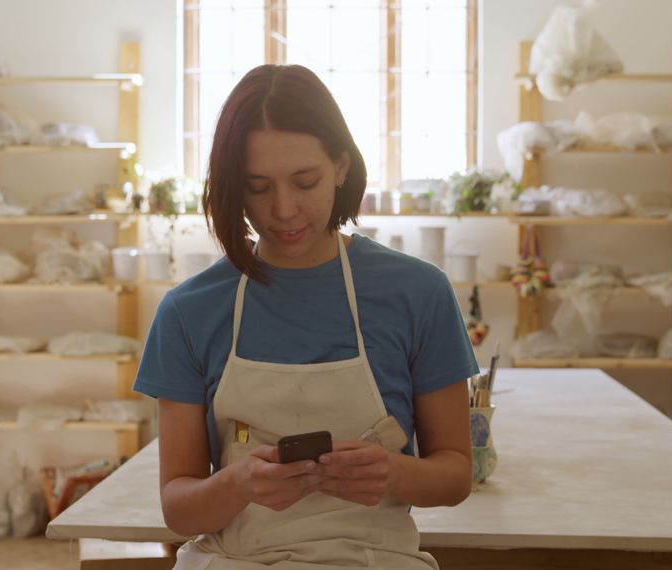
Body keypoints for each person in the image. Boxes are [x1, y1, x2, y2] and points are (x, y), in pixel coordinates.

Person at [134, 64, 478, 569]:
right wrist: (237, 483)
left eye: (305, 181)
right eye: (257, 187)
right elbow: (178, 508)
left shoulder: (417, 292)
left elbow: (454, 475)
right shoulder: (190, 311)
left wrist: (391, 473)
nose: (284, 210)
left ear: (340, 166)